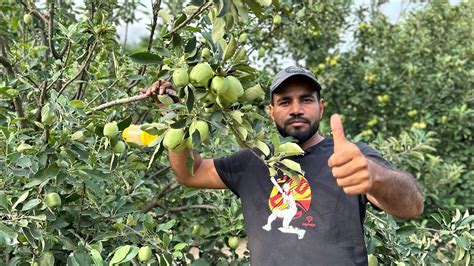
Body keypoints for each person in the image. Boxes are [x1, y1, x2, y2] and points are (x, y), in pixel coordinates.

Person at [141, 66, 424, 265]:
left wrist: (375, 176)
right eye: (285, 101)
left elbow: (412, 205)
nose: (296, 109)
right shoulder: (253, 161)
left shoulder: (352, 157)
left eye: (306, 100)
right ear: (271, 111)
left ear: (321, 107)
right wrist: (173, 115)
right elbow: (190, 173)